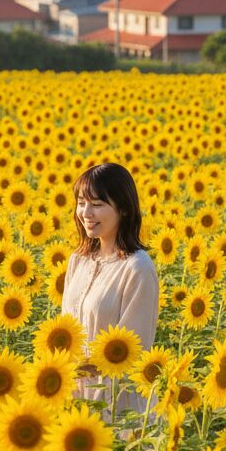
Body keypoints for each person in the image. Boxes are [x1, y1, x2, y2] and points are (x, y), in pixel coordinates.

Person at [61, 162, 159, 420]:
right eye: (82, 202)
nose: (86, 213)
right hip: (78, 401)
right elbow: (64, 331)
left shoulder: (137, 267)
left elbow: (130, 349)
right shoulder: (78, 260)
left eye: (97, 204)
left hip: (121, 405)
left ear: (124, 209)